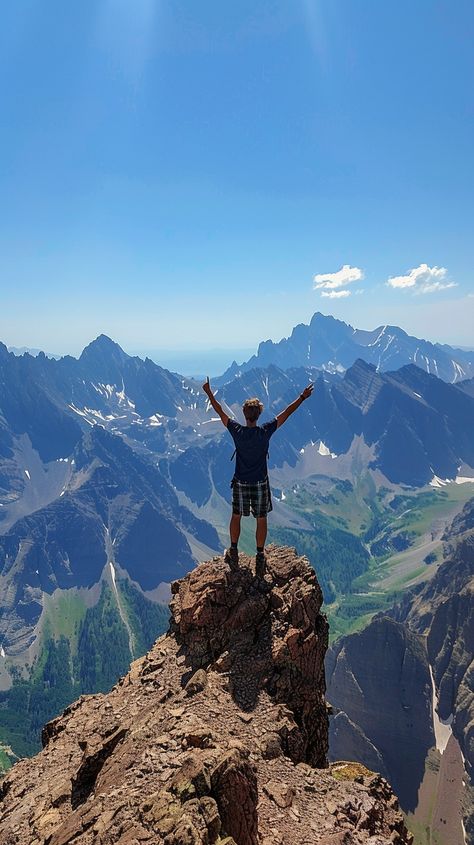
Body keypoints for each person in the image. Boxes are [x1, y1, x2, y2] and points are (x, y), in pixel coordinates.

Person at [202, 376, 314, 577]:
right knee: (261, 519)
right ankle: (260, 556)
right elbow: (286, 413)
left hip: (240, 482)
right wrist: (302, 397)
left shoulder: (236, 430)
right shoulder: (265, 431)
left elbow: (220, 411)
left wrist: (209, 393)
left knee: (236, 515)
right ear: (259, 414)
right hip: (260, 482)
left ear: (245, 414)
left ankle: (234, 550)